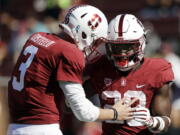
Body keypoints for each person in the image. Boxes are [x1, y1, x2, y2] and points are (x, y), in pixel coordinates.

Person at [7, 5, 136, 135]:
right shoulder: (69, 52)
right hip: (43, 129)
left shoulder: (37, 37)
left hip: (14, 128)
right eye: (96, 42)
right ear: (84, 33)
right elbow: (83, 112)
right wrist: (115, 113)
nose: (94, 47)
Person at [83, 14, 174, 135]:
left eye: (127, 46)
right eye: (116, 46)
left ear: (141, 44)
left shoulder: (157, 70)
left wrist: (153, 122)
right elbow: (72, 104)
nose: (122, 53)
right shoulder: (100, 67)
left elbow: (166, 120)